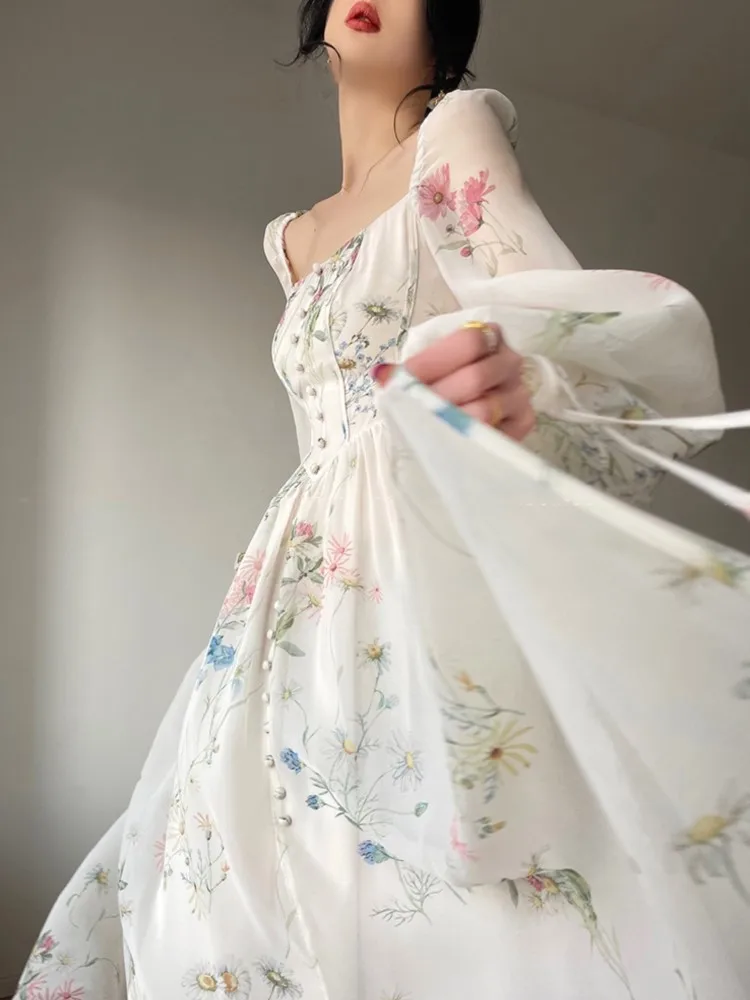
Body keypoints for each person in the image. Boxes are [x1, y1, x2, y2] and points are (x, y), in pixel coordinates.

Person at [14, 1, 750, 998]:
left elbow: (581, 333)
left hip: (424, 569)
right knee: (233, 878)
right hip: (292, 598)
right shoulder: (291, 240)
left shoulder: (457, 131)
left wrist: (523, 383)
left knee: (461, 887)